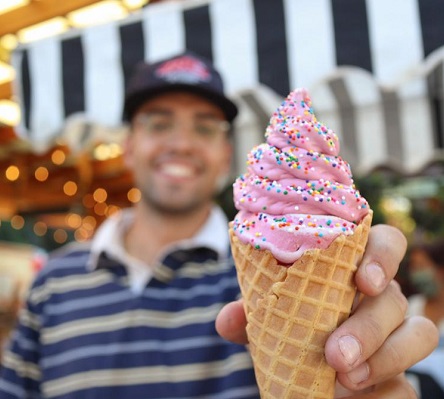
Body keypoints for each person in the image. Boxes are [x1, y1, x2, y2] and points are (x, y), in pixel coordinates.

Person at [0, 51, 438, 399]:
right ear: (129, 147)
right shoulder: (54, 282)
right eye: (159, 122)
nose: (182, 143)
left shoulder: (271, 269)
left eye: (205, 127)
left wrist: (358, 366)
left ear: (226, 154)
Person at [406, 238, 444, 393]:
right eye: (413, 267)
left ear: (440, 270)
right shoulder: (412, 305)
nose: (416, 273)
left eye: (421, 266)